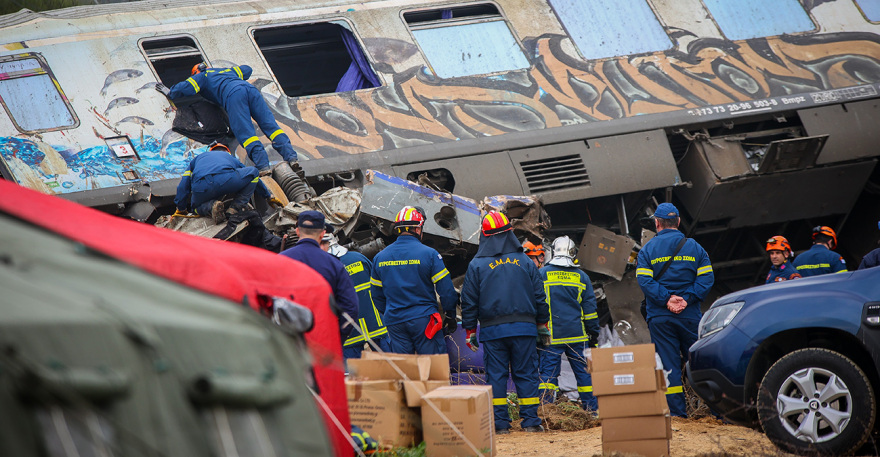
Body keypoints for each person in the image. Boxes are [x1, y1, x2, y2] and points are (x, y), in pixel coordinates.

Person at [461, 211, 549, 434]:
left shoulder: (476, 265)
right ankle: (531, 422)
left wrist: (470, 329)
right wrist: (542, 324)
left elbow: (469, 301)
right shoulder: (525, 262)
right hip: (524, 329)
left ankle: (500, 425)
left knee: (497, 376)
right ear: (509, 233)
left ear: (485, 236)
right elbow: (539, 296)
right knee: (526, 373)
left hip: (493, 332)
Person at [636, 202, 714, 417]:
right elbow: (707, 279)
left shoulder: (647, 250)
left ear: (657, 223)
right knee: (699, 362)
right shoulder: (695, 247)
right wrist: (686, 299)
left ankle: (679, 415)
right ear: (678, 221)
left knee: (668, 365)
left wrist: (667, 299)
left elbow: (644, 281)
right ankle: (715, 411)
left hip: (661, 317)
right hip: (689, 316)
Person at [157, 63, 298, 174]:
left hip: (235, 95)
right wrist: (230, 72)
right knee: (271, 127)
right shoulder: (225, 71)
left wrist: (170, 92)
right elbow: (247, 70)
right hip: (251, 90)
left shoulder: (202, 76)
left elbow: (187, 87)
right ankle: (291, 158)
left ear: (196, 73)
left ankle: (263, 166)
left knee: (245, 133)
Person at [369, 206, 459, 354]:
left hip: (395, 322)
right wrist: (450, 315)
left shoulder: (380, 258)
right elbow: (446, 290)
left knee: (406, 371)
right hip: (424, 320)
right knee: (433, 369)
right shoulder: (429, 254)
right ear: (418, 229)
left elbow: (376, 295)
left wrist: (392, 313)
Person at [537, 236, 599, 412]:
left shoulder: (542, 274)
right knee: (584, 374)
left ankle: (547, 412)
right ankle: (592, 411)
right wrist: (593, 334)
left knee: (548, 376)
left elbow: (535, 304)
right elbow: (591, 312)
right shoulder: (582, 277)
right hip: (577, 335)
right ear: (573, 253)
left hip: (550, 335)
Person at [279, 211, 358, 343]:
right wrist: (338, 337)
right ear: (322, 234)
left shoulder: (280, 261)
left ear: (298, 231)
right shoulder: (334, 265)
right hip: (323, 340)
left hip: (289, 342)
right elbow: (351, 307)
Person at [322, 231, 392, 359]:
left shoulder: (325, 269)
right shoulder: (358, 258)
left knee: (352, 376)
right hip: (376, 323)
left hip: (349, 331)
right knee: (393, 365)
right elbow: (380, 286)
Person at [173, 142, 279, 223]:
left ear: (210, 151)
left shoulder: (197, 159)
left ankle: (211, 206)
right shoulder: (230, 157)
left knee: (196, 208)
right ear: (227, 151)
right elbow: (250, 175)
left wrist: (181, 208)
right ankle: (235, 207)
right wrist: (267, 196)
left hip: (201, 186)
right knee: (254, 172)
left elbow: (183, 185)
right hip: (226, 180)